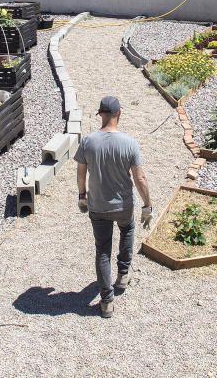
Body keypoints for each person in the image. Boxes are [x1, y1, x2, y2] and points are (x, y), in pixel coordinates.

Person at [76, 96, 153, 319]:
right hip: (123, 205)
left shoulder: (88, 141)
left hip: (98, 204)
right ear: (119, 113)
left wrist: (82, 196)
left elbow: (81, 173)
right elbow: (140, 178)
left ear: (100, 114)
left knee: (102, 250)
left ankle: (106, 301)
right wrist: (147, 204)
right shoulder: (129, 143)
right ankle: (122, 274)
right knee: (127, 231)